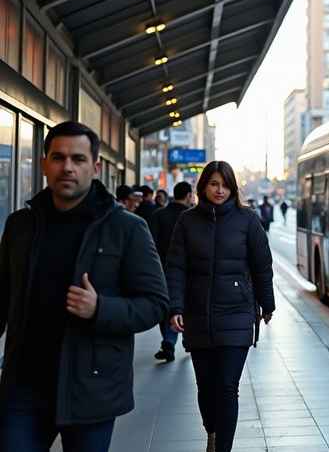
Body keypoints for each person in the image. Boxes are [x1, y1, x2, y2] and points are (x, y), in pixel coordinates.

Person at [0, 121, 168, 452]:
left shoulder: (127, 228)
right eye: (58, 158)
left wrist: (100, 309)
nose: (67, 167)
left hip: (92, 388)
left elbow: (156, 303)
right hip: (23, 386)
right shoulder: (20, 225)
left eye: (77, 159)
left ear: (95, 166)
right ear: (44, 163)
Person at [166, 161, 274, 452]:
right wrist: (175, 306)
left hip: (237, 313)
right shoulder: (187, 221)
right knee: (206, 387)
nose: (219, 190)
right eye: (214, 184)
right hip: (198, 313)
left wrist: (267, 302)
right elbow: (175, 266)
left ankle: (221, 448)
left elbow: (262, 265)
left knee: (228, 388)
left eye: (225, 185)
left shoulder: (248, 220)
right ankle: (212, 432)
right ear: (203, 187)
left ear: (233, 188)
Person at [149, 181, 194, 363]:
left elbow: (150, 243)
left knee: (167, 306)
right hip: (188, 270)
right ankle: (187, 340)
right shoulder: (191, 217)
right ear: (189, 195)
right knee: (186, 305)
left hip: (161, 269)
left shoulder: (159, 215)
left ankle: (168, 341)